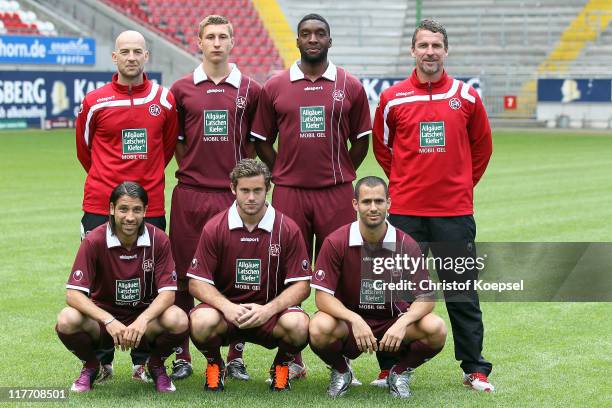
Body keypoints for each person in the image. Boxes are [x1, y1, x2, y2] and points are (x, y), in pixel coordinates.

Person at [372, 19, 494, 391]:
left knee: (462, 292)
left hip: (454, 214)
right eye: (423, 45)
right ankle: (389, 365)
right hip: (406, 212)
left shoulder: (466, 97)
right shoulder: (393, 98)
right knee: (396, 292)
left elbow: (481, 147)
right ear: (413, 50)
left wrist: (458, 185)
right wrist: (406, 184)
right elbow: (383, 148)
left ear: (446, 50)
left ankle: (474, 368)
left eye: (436, 46)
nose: (430, 52)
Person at [250, 14, 371, 379]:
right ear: (297, 41)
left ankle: (341, 355)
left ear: (330, 41)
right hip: (289, 193)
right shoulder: (275, 85)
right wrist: (282, 170)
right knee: (288, 275)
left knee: (343, 273)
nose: (313, 39)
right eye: (306, 34)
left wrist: (339, 173)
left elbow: (362, 140)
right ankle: (290, 356)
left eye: (320, 34)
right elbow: (260, 141)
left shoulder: (349, 85)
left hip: (335, 194)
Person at [75, 30, 179, 382]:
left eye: (138, 51)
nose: (131, 57)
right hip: (100, 204)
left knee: (150, 283)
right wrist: (109, 185)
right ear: (114, 58)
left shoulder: (163, 100)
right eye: (125, 51)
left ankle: (144, 361)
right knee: (99, 282)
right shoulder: (95, 102)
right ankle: (100, 360)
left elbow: (165, 149)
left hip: (149, 205)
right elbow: (84, 150)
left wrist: (142, 185)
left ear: (146, 56)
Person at [168, 14, 261, 382]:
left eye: (224, 36)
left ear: (233, 42)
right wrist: (194, 172)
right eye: (211, 37)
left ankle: (235, 353)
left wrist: (237, 184)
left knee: (235, 276)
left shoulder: (251, 89)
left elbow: (253, 144)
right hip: (190, 195)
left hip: (232, 198)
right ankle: (182, 354)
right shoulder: (181, 89)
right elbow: (176, 144)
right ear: (200, 42)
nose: (217, 43)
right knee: (182, 275)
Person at [309, 176, 447, 398]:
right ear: (355, 204)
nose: (373, 208)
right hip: (350, 325)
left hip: (392, 323)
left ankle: (399, 373)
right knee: (318, 327)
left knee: (436, 328)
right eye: (366, 202)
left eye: (379, 201)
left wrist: (404, 322)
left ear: (388, 203)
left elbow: (427, 297)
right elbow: (322, 297)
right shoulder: (336, 241)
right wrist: (354, 319)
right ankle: (342, 371)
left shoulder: (406, 244)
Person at [187, 159, 311, 392]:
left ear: (268, 189)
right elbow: (196, 281)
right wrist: (227, 307)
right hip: (228, 315)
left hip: (270, 315)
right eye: (245, 190)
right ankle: (215, 364)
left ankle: (281, 366)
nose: (251, 197)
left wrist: (268, 310)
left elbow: (302, 285)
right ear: (233, 189)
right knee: (200, 321)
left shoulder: (287, 228)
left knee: (299, 324)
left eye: (257, 190)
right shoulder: (215, 227)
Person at [55, 182, 188, 393]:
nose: (130, 217)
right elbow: (73, 294)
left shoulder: (159, 239)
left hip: (144, 323)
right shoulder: (94, 240)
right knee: (66, 318)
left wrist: (143, 320)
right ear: (111, 209)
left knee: (178, 318)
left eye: (137, 210)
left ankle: (154, 366)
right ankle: (92, 366)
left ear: (145, 211)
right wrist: (108, 320)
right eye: (123, 209)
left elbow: (168, 294)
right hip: (104, 323)